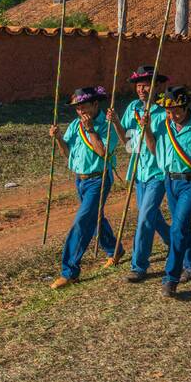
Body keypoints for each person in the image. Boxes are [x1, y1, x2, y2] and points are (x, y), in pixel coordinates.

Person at [142, 85, 191, 298]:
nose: (173, 115)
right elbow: (152, 149)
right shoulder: (162, 123)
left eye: (177, 110)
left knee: (177, 228)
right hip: (170, 180)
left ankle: (171, 278)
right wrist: (147, 128)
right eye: (169, 111)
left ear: (186, 107)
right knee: (183, 225)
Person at [119, 65, 186, 284]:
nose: (141, 89)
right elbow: (128, 143)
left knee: (145, 217)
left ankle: (138, 266)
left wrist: (146, 128)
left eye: (146, 85)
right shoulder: (132, 108)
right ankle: (175, 244)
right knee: (152, 216)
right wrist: (115, 125)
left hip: (158, 171)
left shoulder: (164, 110)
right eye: (138, 85)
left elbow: (157, 150)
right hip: (139, 171)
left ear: (157, 85)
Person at [49, 85, 121, 289]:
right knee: (95, 217)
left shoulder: (106, 126)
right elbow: (68, 154)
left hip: (99, 179)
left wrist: (91, 130)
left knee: (82, 222)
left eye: (84, 106)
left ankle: (69, 271)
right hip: (80, 180)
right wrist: (59, 139)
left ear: (95, 104)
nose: (81, 111)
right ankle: (114, 250)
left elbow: (104, 153)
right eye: (77, 108)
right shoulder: (74, 125)